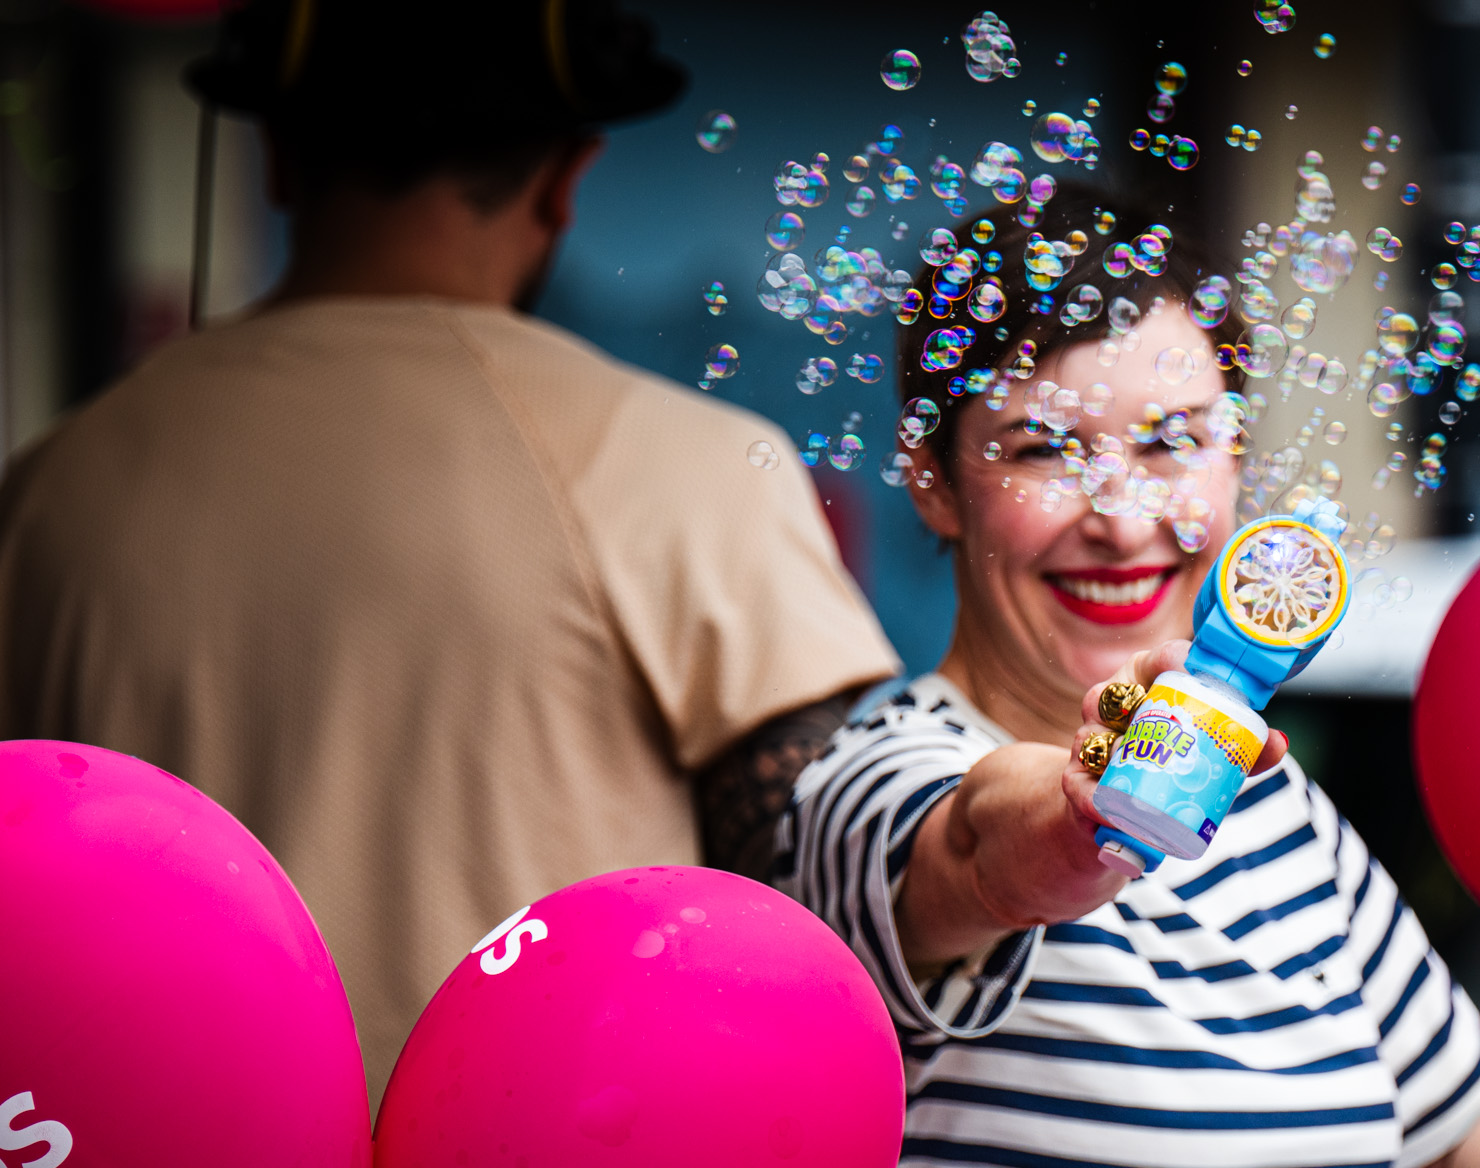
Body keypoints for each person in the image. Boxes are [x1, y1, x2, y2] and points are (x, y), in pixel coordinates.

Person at [780, 196, 1480, 1168]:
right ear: (931, 480)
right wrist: (1087, 808)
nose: (1123, 522)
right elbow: (975, 846)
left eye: (1172, 443)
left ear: (1235, 461)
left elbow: (1457, 1121)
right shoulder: (871, 781)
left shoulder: (1274, 807)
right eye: (1043, 449)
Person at [0, 0, 897, 1100]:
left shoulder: (49, 490)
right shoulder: (693, 466)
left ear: (275, 154)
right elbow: (811, 877)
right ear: (566, 179)